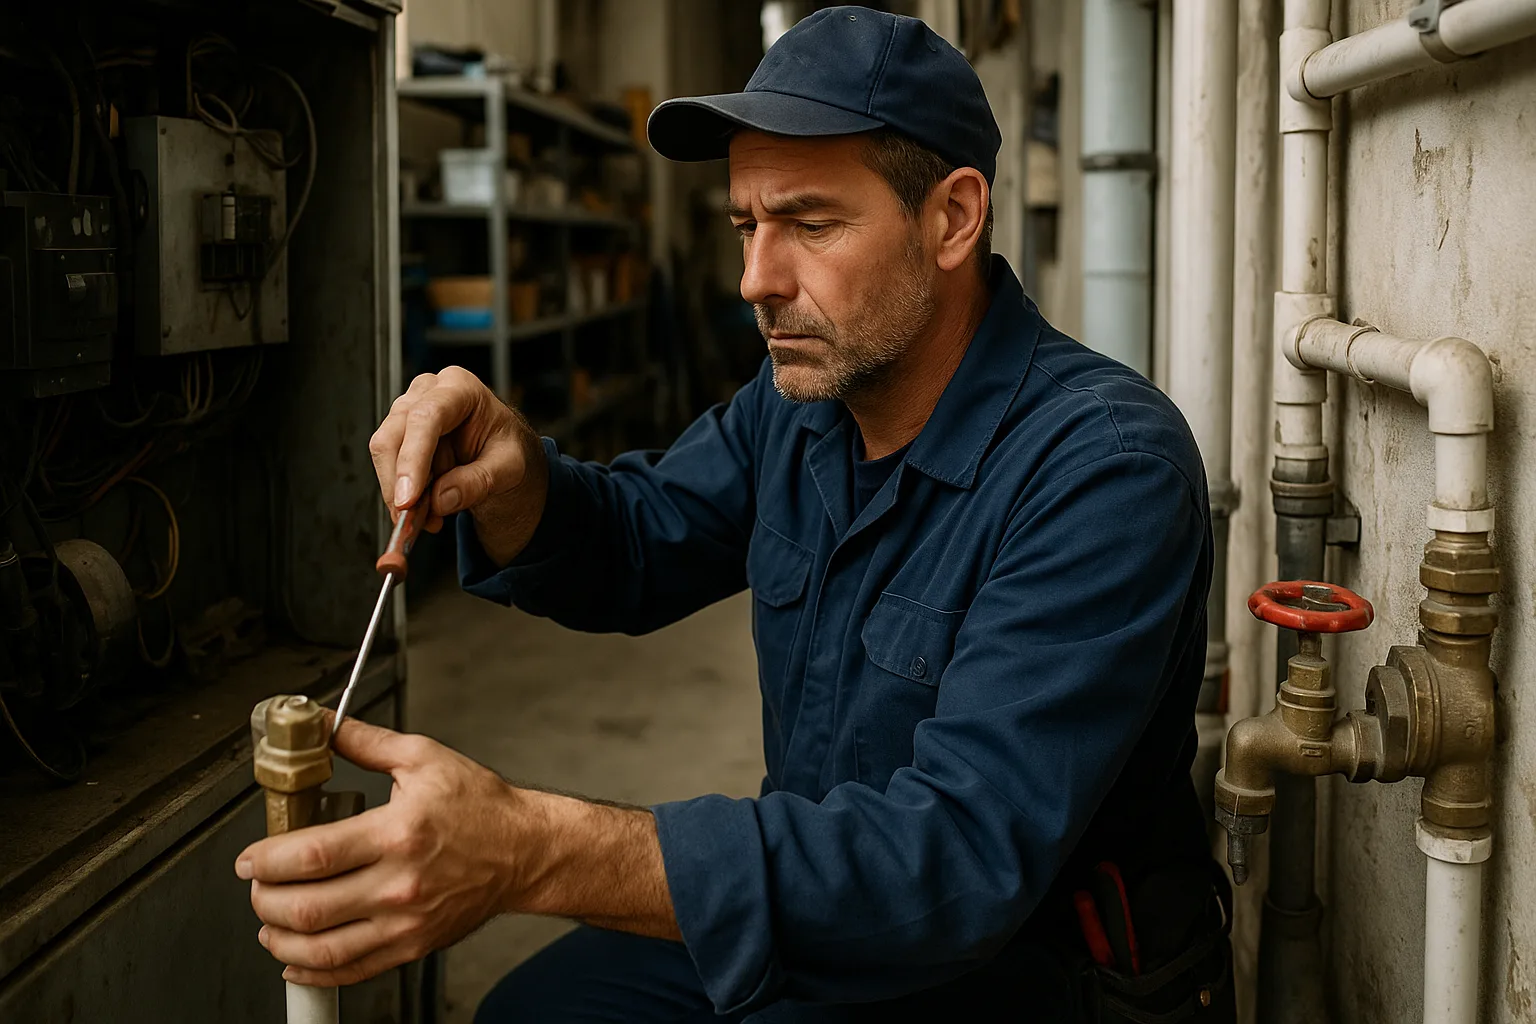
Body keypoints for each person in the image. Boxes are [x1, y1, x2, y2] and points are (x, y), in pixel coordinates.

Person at [236, 8, 1234, 1021]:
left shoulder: (1102, 468)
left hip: (1019, 976)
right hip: (814, 916)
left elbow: (956, 860)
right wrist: (518, 476)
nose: (757, 279)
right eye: (745, 225)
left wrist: (536, 850)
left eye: (809, 223)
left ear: (952, 218)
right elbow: (639, 536)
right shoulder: (803, 406)